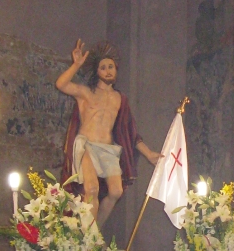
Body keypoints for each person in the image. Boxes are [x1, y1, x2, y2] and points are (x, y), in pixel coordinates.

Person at [57, 40, 161, 228]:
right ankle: (89, 241)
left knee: (115, 192)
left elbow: (130, 130)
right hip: (86, 146)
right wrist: (76, 65)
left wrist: (149, 154)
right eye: (103, 67)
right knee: (92, 189)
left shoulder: (119, 99)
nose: (108, 71)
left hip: (107, 149)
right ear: (96, 71)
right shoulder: (86, 92)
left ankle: (94, 232)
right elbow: (61, 84)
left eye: (111, 67)